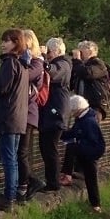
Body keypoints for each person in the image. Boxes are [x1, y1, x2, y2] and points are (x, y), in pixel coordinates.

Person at [0, 29, 29, 211]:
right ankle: (14, 194)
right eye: (3, 40)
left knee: (9, 159)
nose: (3, 44)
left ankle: (9, 197)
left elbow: (2, 87)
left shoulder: (10, 63)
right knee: (12, 158)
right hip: (18, 118)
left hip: (8, 117)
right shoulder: (23, 65)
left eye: (8, 41)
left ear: (16, 43)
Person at [61, 40, 110, 186]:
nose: (78, 52)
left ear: (90, 51)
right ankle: (78, 169)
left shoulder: (98, 64)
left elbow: (87, 74)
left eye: (81, 50)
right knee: (79, 136)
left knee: (89, 137)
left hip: (95, 107)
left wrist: (77, 61)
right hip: (82, 108)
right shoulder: (81, 66)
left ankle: (86, 170)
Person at [37, 37, 72, 192]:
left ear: (57, 51)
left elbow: (53, 73)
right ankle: (51, 181)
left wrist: (42, 59)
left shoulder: (63, 64)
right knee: (46, 147)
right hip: (53, 111)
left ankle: (53, 183)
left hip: (56, 112)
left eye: (50, 52)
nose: (48, 54)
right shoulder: (62, 63)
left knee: (50, 148)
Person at [60, 95, 105, 212]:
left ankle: (67, 175)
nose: (71, 113)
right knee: (91, 178)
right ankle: (95, 205)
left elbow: (93, 141)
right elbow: (73, 132)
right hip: (88, 150)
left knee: (91, 177)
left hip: (91, 152)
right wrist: (62, 134)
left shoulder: (88, 122)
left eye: (72, 111)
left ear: (77, 109)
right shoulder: (84, 118)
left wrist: (79, 143)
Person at [18, 29, 47, 200]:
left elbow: (23, 77)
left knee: (22, 152)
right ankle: (29, 180)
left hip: (28, 113)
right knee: (16, 152)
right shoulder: (31, 62)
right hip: (24, 112)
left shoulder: (36, 64)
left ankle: (27, 183)